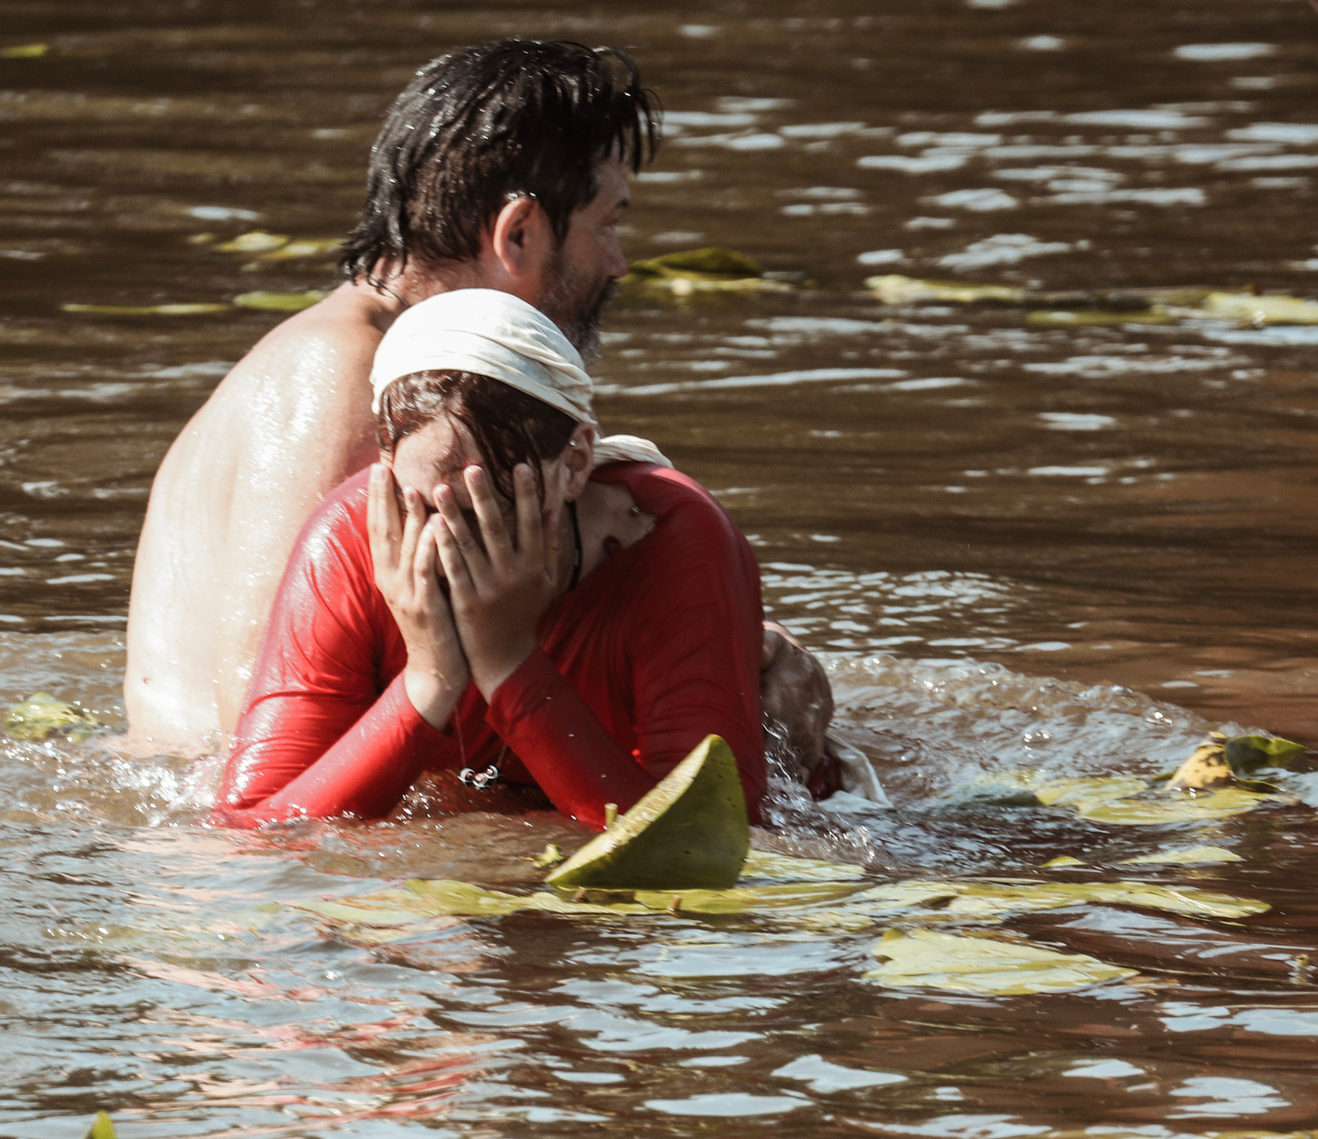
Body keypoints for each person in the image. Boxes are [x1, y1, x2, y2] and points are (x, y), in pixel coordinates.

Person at [121, 39, 839, 784]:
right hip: (241, 851)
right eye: (608, 222)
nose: (619, 260)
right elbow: (255, 721)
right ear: (518, 233)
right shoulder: (337, 377)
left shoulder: (424, 380)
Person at [215, 289, 778, 829]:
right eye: (428, 511)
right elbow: (255, 830)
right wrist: (429, 679)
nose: (451, 549)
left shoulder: (671, 537)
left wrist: (508, 659)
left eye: (489, 514)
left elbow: (713, 835)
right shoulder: (347, 540)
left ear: (576, 463)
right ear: (386, 464)